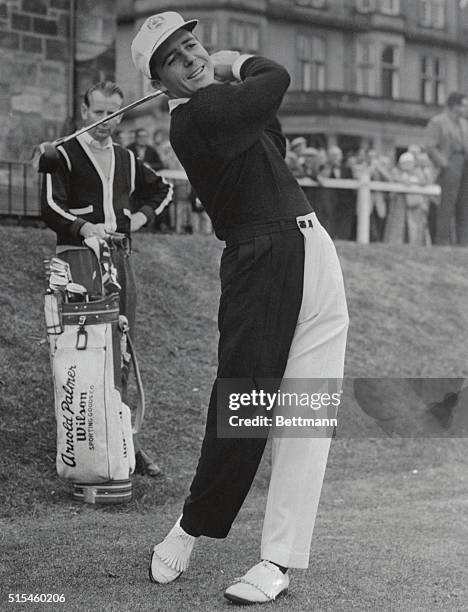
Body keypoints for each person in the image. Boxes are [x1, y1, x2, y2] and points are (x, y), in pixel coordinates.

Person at [131, 11, 348, 605]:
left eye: (192, 44)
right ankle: (190, 527)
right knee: (245, 399)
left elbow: (269, 133)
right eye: (174, 58)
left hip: (310, 243)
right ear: (161, 83)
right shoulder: (195, 118)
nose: (192, 57)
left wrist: (227, 76)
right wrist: (235, 62)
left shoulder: (222, 107)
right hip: (260, 253)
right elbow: (274, 77)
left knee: (308, 405)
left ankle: (277, 560)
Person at [40, 81, 173, 477]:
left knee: (121, 346)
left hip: (119, 257)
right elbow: (48, 206)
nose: (104, 121)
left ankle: (123, 441)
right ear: (84, 111)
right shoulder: (61, 153)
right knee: (82, 352)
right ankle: (81, 445)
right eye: (97, 112)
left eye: (113, 113)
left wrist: (137, 219)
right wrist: (84, 228)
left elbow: (162, 189)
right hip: (78, 259)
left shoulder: (127, 158)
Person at [425, 92, 468, 245]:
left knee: (464, 205)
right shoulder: (437, 122)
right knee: (447, 204)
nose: (465, 107)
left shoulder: (464, 123)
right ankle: (442, 240)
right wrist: (444, 163)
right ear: (453, 105)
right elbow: (430, 146)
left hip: (465, 164)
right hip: (450, 163)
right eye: (463, 104)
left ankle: (464, 241)